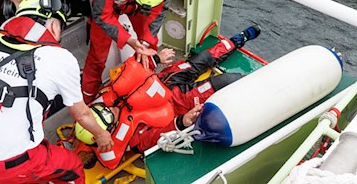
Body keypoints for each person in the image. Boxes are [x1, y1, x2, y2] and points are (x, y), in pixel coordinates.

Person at [0, 0, 113, 183]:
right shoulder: (58, 57)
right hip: (8, 163)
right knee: (72, 166)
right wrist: (102, 135)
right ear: (53, 26)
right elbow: (82, 114)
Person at [76, 25, 261, 161]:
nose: (112, 110)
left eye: (104, 108)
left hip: (167, 78)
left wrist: (157, 58)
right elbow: (155, 137)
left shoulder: (108, 97)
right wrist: (182, 121)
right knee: (226, 81)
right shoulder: (133, 137)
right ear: (108, 131)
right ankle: (261, 81)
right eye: (109, 116)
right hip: (178, 102)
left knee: (204, 58)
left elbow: (132, 71)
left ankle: (238, 39)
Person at [81, 0, 183, 103]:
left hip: (139, 7)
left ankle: (142, 81)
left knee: (148, 47)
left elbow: (157, 14)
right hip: (108, 7)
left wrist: (143, 43)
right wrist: (130, 40)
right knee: (97, 57)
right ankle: (87, 99)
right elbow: (102, 15)